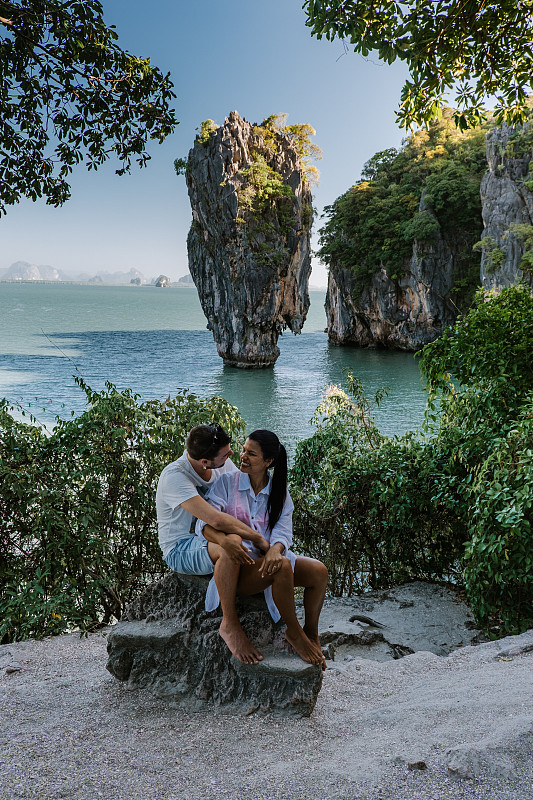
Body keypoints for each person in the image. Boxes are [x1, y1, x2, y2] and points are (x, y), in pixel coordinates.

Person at [197, 429, 328, 669]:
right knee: (282, 567)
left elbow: (283, 533)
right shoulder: (227, 483)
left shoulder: (279, 493)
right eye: (244, 450)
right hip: (240, 569)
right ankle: (294, 632)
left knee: (319, 571)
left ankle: (312, 633)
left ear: (268, 462)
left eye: (252, 454)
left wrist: (275, 550)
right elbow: (204, 524)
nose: (243, 456)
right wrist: (225, 540)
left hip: (267, 562)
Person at [156, 423, 271, 580]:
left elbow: (244, 493)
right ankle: (227, 605)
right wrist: (258, 539)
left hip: (211, 535)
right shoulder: (175, 477)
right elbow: (216, 519)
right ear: (204, 462)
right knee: (229, 548)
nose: (232, 453)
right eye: (225, 455)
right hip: (180, 547)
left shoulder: (220, 464)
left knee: (237, 542)